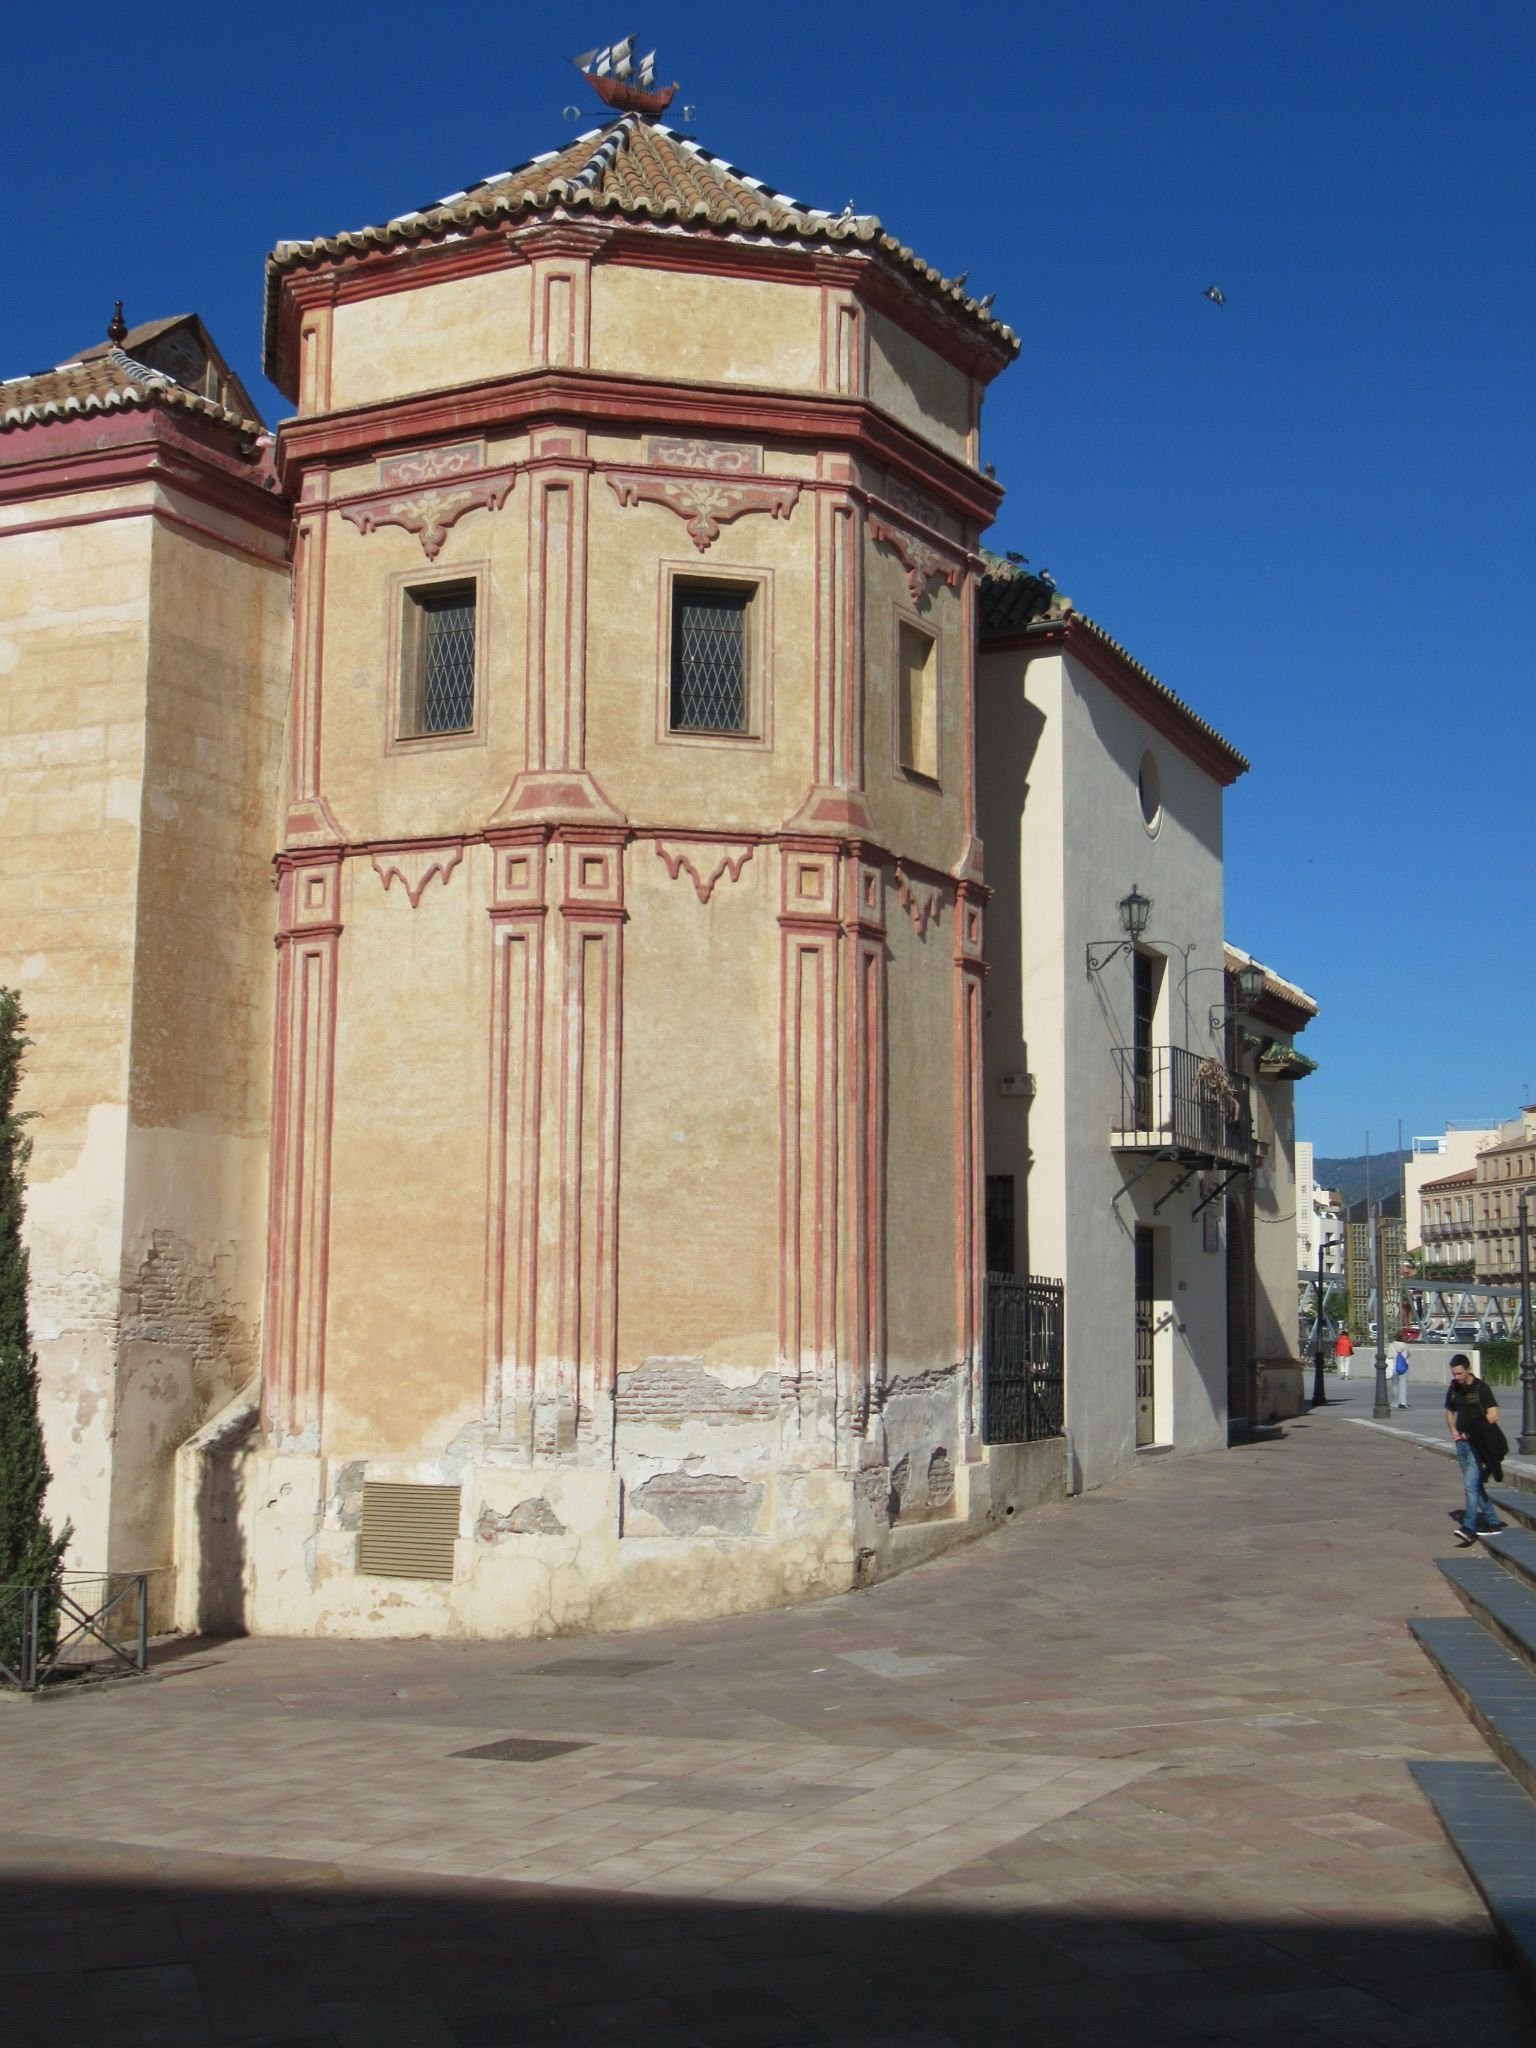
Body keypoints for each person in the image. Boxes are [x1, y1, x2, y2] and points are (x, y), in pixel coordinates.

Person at [1445, 1353, 1507, 1545]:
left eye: (1460, 1374)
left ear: (1468, 1369)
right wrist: (1454, 1431)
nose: (1457, 1378)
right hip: (1461, 1442)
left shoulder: (1481, 1388)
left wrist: (1471, 1432)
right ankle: (1493, 1522)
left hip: (1477, 1442)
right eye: (1454, 1374)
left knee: (1470, 1485)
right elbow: (1449, 1412)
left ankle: (1469, 1527)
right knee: (1474, 1485)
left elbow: (1493, 1415)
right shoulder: (1454, 1389)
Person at [1392, 1341, 1411, 1409]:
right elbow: (1408, 1354)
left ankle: (1395, 1402)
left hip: (1394, 1367)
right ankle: (1402, 1402)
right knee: (1403, 1386)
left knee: (1395, 1386)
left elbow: (1389, 1355)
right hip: (1403, 1367)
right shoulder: (1405, 1345)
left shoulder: (1392, 1345)